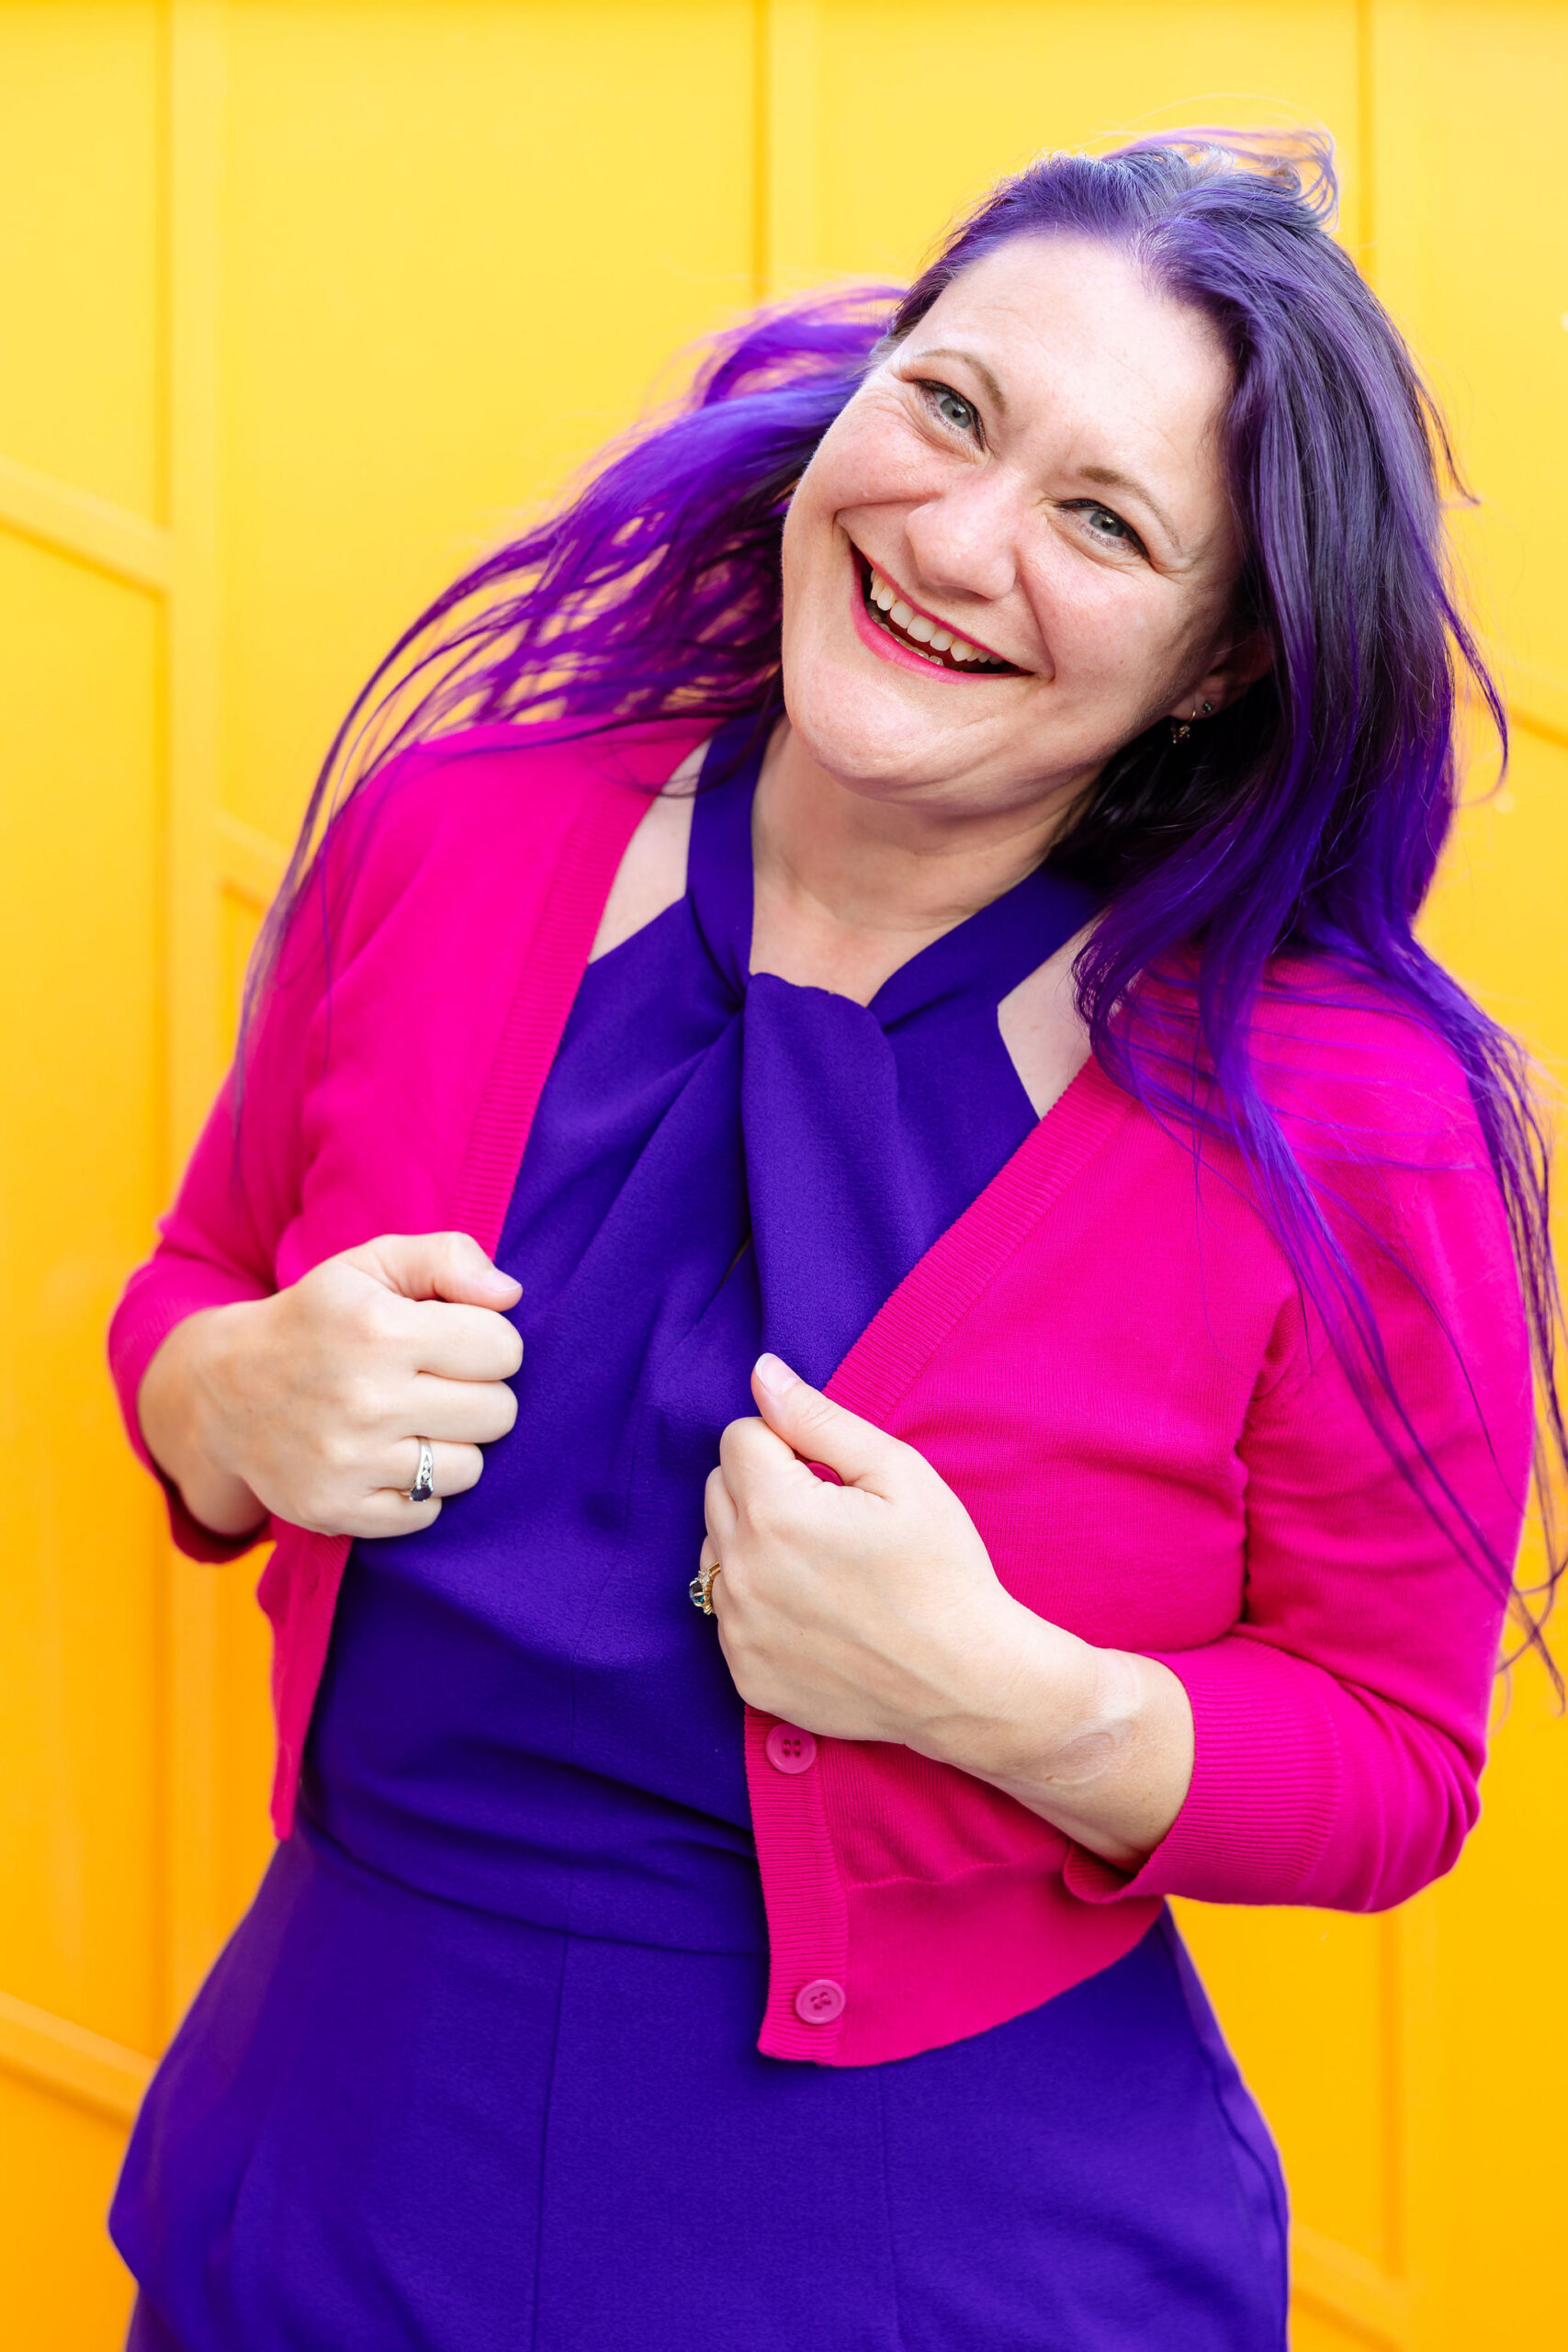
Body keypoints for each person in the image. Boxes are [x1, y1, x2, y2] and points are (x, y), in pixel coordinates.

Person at [107, 132, 1551, 2351]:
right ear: (858, 391)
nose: (957, 543)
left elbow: (1388, 1760)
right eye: (949, 406)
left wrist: (1007, 1698)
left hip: (935, 2268)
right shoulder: (455, 834)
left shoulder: (1345, 1119)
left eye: (1103, 521)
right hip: (319, 2201)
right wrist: (231, 1394)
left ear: (1208, 665)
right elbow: (194, 1294)